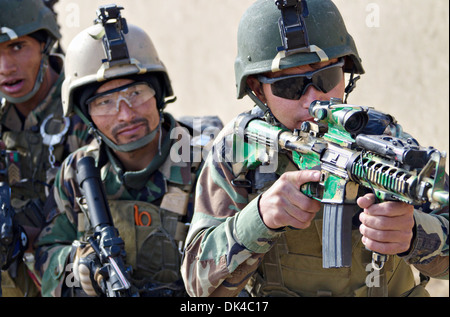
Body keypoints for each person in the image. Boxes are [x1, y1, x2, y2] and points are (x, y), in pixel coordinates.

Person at [181, 0, 449, 297]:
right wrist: (259, 218)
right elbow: (197, 285)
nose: (312, 100)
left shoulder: (381, 139)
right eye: (289, 85)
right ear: (258, 90)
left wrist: (416, 234)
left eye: (326, 78)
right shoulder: (239, 151)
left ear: (346, 74)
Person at [34, 5, 220, 297]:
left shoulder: (206, 162)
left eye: (136, 93)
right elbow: (46, 257)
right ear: (86, 115)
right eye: (104, 102)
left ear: (158, 94)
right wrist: (80, 266)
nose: (125, 114)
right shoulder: (76, 171)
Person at [0, 0, 91, 296]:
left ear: (45, 44)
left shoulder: (89, 109)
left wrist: (26, 236)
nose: (5, 68)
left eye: (17, 47)